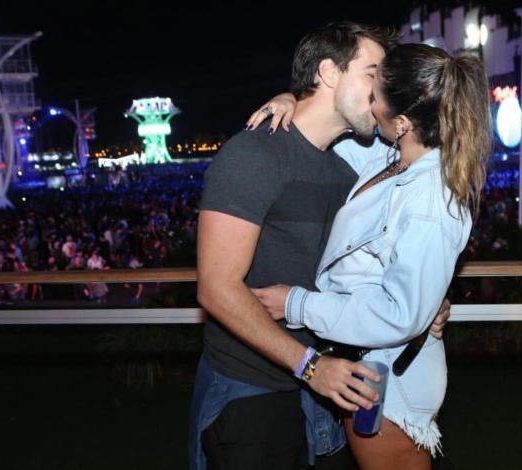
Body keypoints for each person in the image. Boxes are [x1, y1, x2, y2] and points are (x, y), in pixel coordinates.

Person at [189, 22, 451, 470]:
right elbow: (216, 288)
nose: (383, 89)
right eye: (373, 74)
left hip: (328, 391)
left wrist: (425, 298)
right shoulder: (253, 155)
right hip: (252, 394)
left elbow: (373, 259)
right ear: (329, 72)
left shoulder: (352, 167)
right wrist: (309, 366)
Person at [248, 43, 493, 470]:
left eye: (375, 93)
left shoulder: (429, 199)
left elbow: (400, 313)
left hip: (392, 381)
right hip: (370, 366)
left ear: (402, 122)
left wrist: (296, 304)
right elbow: (318, 132)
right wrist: (292, 99)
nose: (367, 100)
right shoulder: (390, 155)